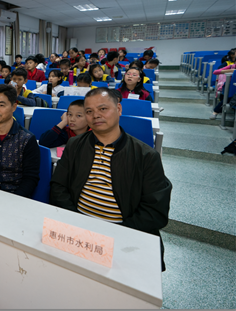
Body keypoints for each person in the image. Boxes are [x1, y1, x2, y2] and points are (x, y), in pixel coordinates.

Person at [49, 87, 172, 271]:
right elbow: (58, 187)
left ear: (119, 109)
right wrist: (77, 224)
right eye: (89, 111)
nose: (96, 115)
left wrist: (114, 234)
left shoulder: (145, 156)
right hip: (77, 231)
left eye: (103, 109)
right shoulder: (75, 145)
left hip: (124, 237)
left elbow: (155, 212)